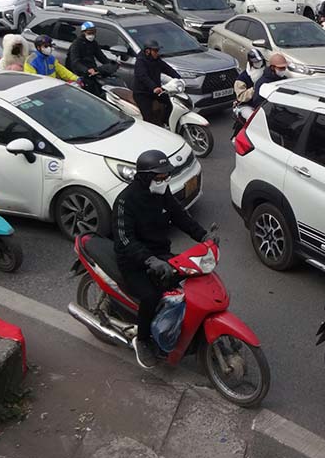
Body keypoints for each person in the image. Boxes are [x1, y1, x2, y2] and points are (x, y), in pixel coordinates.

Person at [113, 149, 212, 368]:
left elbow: (179, 216)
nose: (164, 180)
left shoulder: (161, 192)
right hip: (134, 262)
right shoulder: (125, 201)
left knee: (190, 280)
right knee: (150, 296)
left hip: (160, 254)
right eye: (159, 177)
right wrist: (149, 260)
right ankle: (144, 339)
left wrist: (204, 236)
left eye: (166, 175)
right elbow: (124, 240)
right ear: (146, 176)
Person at [132, 39, 181, 125]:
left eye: (157, 50)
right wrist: (154, 87)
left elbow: (167, 68)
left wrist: (178, 78)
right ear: (148, 51)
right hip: (142, 94)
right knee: (148, 117)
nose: (157, 53)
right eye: (155, 51)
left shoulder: (156, 60)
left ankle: (166, 123)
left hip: (156, 91)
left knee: (171, 103)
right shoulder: (140, 61)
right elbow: (143, 77)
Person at [66, 21, 112, 97]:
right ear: (83, 32)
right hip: (80, 74)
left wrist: (111, 64)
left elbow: (101, 56)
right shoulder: (76, 44)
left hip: (92, 72)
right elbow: (75, 62)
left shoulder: (93, 43)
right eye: (89, 32)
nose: (92, 35)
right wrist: (86, 70)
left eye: (93, 32)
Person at [234, 49, 266, 123]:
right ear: (251, 62)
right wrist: (254, 89)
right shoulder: (242, 78)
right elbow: (241, 97)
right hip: (246, 105)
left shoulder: (266, 72)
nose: (259, 63)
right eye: (256, 62)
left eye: (260, 61)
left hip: (262, 103)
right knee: (252, 118)